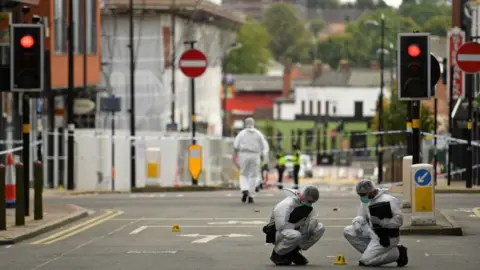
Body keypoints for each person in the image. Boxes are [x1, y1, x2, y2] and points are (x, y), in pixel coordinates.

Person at [343, 180, 408, 267]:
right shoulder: (366, 200)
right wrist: (357, 221)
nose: (361, 197)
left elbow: (398, 221)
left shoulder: (389, 200)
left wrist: (381, 222)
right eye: (359, 195)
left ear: (371, 191)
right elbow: (362, 215)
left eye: (363, 194)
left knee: (365, 261)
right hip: (372, 231)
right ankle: (371, 253)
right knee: (348, 231)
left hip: (386, 236)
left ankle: (397, 253)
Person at [268, 186, 325, 266]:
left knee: (319, 228)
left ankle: (293, 251)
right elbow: (280, 226)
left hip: (295, 229)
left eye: (313, 202)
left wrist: (313, 223)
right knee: (295, 235)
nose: (310, 204)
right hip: (279, 232)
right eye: (309, 201)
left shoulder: (305, 203)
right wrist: (296, 225)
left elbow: (312, 218)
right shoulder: (286, 204)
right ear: (303, 195)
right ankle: (278, 253)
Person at [233, 117, 269, 204]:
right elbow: (265, 147)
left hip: (244, 154)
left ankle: (245, 189)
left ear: (245, 123)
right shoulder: (258, 134)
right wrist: (264, 157)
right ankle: (251, 195)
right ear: (253, 123)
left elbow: (236, 145)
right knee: (253, 175)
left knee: (243, 174)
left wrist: (235, 154)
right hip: (255, 155)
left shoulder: (241, 133)